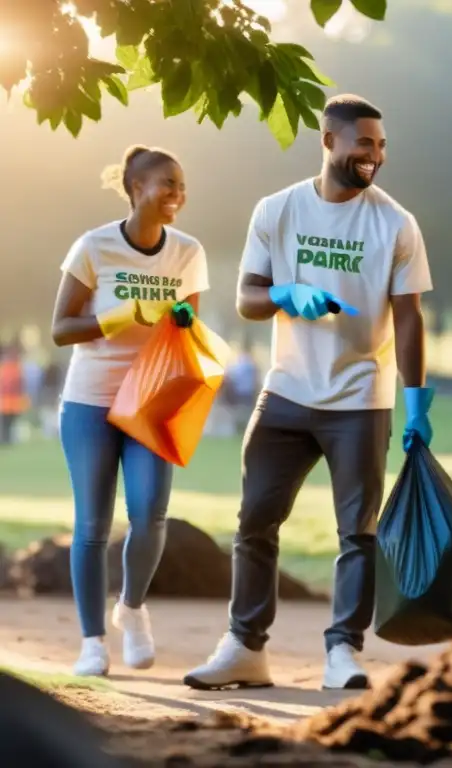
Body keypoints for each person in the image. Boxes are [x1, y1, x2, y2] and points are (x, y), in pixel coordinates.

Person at [184, 94, 434, 692]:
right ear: (329, 142)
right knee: (255, 522)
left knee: (358, 533)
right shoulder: (278, 209)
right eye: (363, 143)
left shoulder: (395, 223)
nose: (375, 155)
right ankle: (245, 647)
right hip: (287, 393)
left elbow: (409, 318)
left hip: (359, 397)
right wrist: (283, 294)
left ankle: (343, 651)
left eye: (381, 145)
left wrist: (417, 402)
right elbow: (247, 297)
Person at [50, 145, 209, 677]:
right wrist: (120, 317)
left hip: (150, 401)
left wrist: (183, 318)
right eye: (167, 183)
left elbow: (189, 324)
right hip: (90, 400)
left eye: (181, 185)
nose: (177, 194)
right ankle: (93, 643)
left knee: (149, 513)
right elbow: (60, 329)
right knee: (92, 525)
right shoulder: (93, 247)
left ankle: (132, 608)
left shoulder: (188, 252)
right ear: (136, 188)